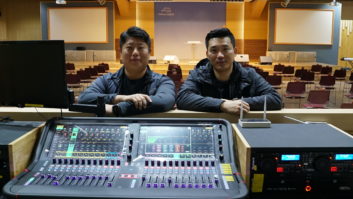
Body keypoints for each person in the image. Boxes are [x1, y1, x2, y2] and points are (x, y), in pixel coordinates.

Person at [176, 28, 282, 114]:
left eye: (225, 49)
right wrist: (222, 104)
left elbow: (275, 99)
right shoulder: (197, 75)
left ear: (235, 52)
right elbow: (182, 98)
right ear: (207, 54)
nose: (220, 55)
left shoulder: (250, 75)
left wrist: (237, 104)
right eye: (214, 50)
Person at [78, 26, 175, 116]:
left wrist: (117, 108)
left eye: (141, 48)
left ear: (149, 53)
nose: (135, 53)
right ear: (120, 53)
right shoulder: (105, 80)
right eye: (129, 48)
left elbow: (165, 101)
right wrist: (121, 98)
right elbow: (84, 98)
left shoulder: (163, 81)